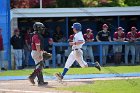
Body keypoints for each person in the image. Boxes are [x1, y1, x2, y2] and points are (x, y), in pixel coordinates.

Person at [28, 22, 48, 86]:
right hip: (36, 52)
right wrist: (40, 54)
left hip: (37, 52)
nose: (43, 29)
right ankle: (32, 77)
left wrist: (42, 52)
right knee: (40, 66)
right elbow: (37, 46)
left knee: (40, 67)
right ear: (38, 28)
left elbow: (39, 46)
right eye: (41, 28)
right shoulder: (36, 36)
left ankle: (40, 81)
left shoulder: (36, 35)